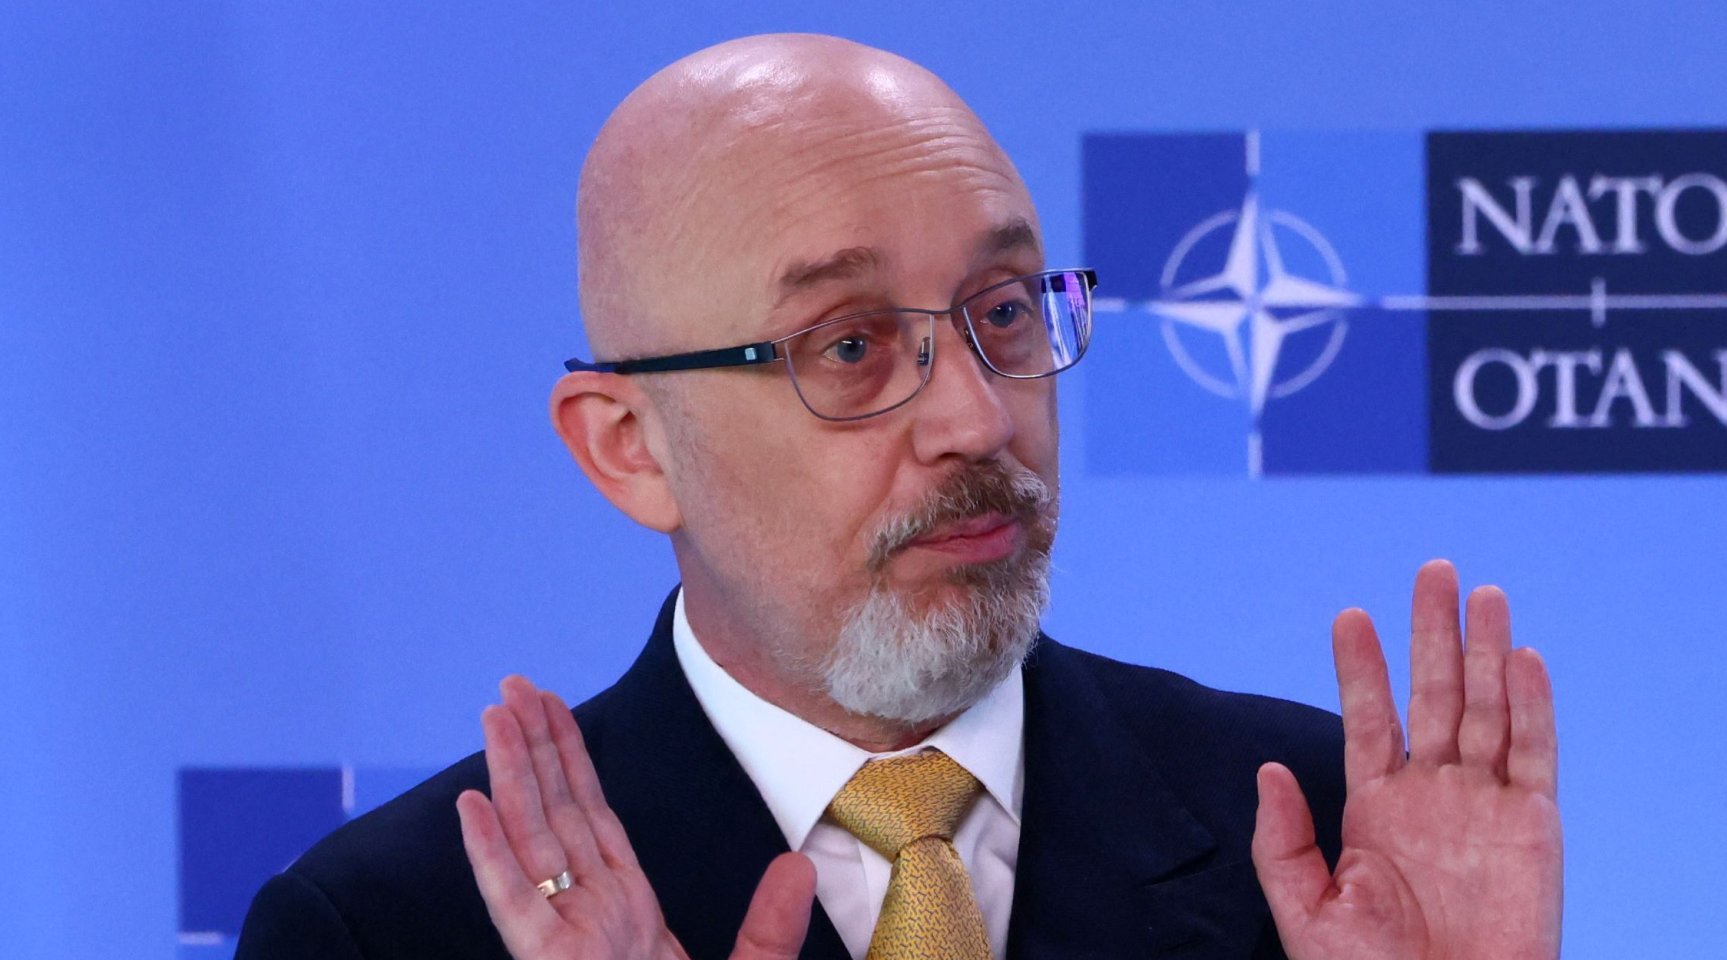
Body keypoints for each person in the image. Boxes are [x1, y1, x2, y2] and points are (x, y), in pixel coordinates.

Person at [236, 33, 1562, 960]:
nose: (978, 419)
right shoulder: (393, 929)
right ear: (631, 447)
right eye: (851, 347)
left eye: (1004, 311)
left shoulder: (1328, 835)